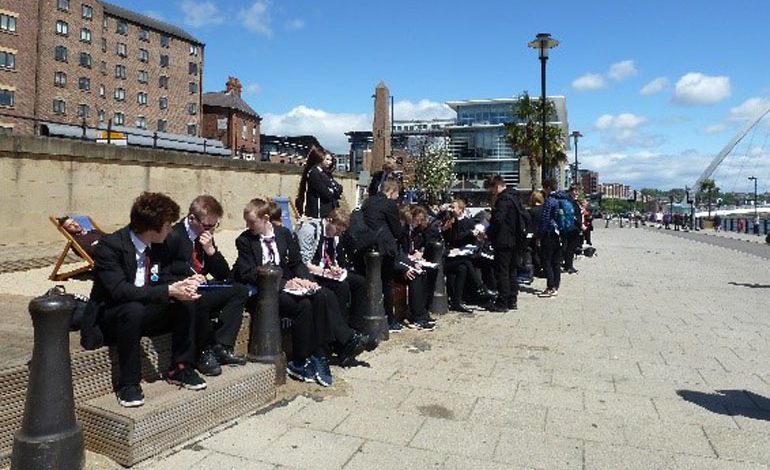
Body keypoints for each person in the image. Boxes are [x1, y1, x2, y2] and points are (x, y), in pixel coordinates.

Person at [82, 192, 208, 408]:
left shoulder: (159, 244)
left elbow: (164, 276)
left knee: (187, 300)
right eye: (168, 225)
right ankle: (128, 383)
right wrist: (168, 290)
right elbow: (120, 291)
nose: (171, 230)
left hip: (145, 309)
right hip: (113, 315)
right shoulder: (110, 247)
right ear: (154, 227)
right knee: (133, 309)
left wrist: (184, 283)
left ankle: (181, 367)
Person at [233, 198, 375, 387]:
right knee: (305, 306)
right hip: (268, 291)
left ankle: (317, 355)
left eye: (252, 222)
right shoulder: (244, 240)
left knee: (324, 294)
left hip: (291, 284)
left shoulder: (283, 234)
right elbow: (248, 273)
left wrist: (308, 281)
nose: (248, 226)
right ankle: (339, 343)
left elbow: (296, 263)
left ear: (265, 218)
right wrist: (285, 283)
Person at [153, 195, 249, 377]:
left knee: (239, 290)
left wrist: (211, 251)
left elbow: (223, 274)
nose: (211, 229)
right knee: (199, 299)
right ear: (191, 219)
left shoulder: (205, 237)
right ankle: (203, 352)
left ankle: (221, 345)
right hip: (181, 290)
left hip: (201, 287)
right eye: (206, 226)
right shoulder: (173, 235)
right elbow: (163, 271)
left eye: (214, 225)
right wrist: (189, 278)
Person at [297, 208, 368, 329]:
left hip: (327, 271)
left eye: (341, 232)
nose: (338, 234)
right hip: (313, 272)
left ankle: (356, 326)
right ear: (330, 221)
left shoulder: (334, 236)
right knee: (342, 287)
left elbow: (331, 258)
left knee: (361, 282)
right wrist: (325, 271)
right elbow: (304, 263)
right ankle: (340, 329)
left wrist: (335, 268)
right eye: (337, 230)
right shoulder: (310, 230)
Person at [361, 178, 402, 331]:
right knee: (387, 283)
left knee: (371, 282)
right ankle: (390, 320)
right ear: (391, 191)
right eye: (397, 194)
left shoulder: (368, 202)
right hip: (385, 249)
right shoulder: (390, 204)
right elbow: (397, 229)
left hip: (368, 247)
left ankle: (370, 315)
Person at [486, 176, 525, 312]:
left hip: (503, 241)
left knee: (502, 272)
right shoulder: (515, 197)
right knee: (512, 271)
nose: (492, 192)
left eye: (492, 189)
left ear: (496, 186)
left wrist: (488, 232)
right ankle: (512, 300)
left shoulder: (503, 200)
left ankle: (502, 302)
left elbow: (498, 220)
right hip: (516, 240)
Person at [296, 146, 343, 220]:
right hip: (319, 215)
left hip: (329, 213)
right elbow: (327, 194)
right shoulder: (314, 173)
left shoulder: (326, 173)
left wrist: (333, 190)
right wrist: (332, 191)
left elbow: (339, 189)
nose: (329, 162)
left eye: (330, 160)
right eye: (327, 159)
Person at [537, 179, 562, 298]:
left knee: (546, 261)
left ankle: (550, 287)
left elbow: (545, 220)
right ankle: (556, 286)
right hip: (559, 234)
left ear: (547, 188)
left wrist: (539, 236)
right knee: (556, 262)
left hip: (549, 234)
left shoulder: (549, 201)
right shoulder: (561, 199)